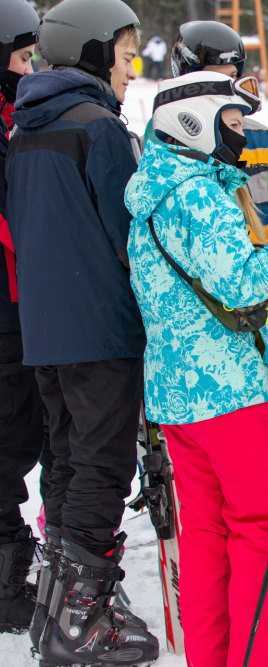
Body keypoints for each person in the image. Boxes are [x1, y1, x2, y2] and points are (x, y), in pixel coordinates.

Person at [126, 71, 268, 666]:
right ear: (197, 119)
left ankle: (213, 657)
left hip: (177, 399)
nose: (241, 136)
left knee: (209, 535)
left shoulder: (154, 188)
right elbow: (240, 282)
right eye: (233, 123)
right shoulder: (194, 194)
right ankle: (260, 659)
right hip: (228, 394)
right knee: (261, 531)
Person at [4, 0, 160, 662]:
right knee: (101, 464)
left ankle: (55, 607)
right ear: (95, 54)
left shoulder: (25, 130)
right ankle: (80, 615)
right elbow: (133, 235)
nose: (131, 71)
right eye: (125, 57)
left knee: (68, 461)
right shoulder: (98, 128)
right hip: (99, 330)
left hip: (43, 335)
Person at [168, 20, 268, 442]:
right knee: (214, 427)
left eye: (228, 82)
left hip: (266, 304)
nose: (222, 95)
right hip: (201, 315)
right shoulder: (169, 146)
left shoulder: (263, 140)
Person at [0, 0, 43, 636]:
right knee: (7, 440)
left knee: (22, 435)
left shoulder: (15, 118)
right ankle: (5, 581)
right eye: (24, 57)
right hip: (7, 309)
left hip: (25, 307)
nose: (32, 68)